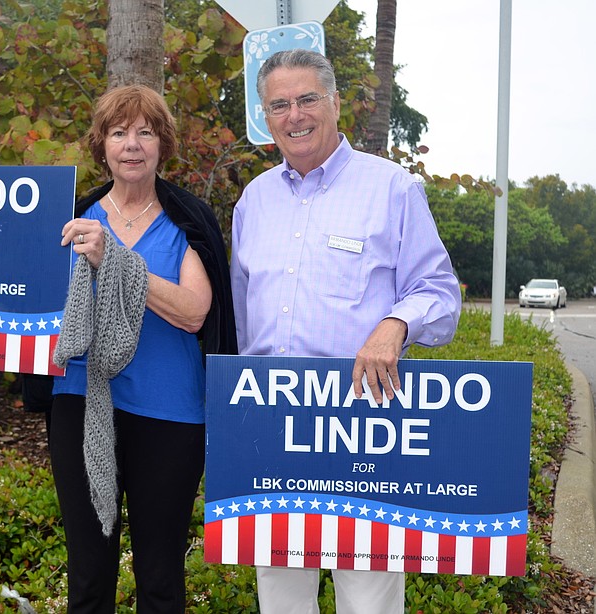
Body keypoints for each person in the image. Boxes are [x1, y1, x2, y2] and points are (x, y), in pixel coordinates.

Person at [230, 49, 461, 614]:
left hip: (363, 429)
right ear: (266, 116)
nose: (294, 115)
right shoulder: (252, 201)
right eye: (279, 104)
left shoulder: (392, 189)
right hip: (273, 430)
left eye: (307, 98)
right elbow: (241, 319)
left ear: (334, 103)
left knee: (368, 604)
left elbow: (441, 295)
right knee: (281, 601)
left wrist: (395, 323)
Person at [48, 83, 236, 613]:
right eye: (118, 132)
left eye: (145, 133)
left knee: (159, 576)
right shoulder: (72, 220)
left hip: (169, 414)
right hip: (81, 407)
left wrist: (118, 263)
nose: (132, 145)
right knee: (88, 575)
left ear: (162, 144)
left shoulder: (186, 221)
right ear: (101, 145)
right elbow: (20, 309)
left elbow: (195, 310)